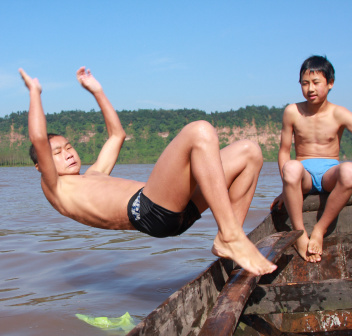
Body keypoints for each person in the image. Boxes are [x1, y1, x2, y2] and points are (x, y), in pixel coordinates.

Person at [19, 66, 277, 276]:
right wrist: (34, 92)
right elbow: (39, 137)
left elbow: (117, 135)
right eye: (56, 154)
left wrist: (97, 92)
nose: (67, 153)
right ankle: (233, 236)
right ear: (41, 166)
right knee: (199, 131)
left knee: (249, 151)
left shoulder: (94, 175)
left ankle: (227, 237)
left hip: (178, 210)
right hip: (147, 211)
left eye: (68, 147)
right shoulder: (55, 187)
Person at [272, 55, 352, 263]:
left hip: (329, 173)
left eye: (316, 83)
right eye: (305, 83)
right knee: (290, 167)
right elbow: (284, 151)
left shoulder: (339, 113)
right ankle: (299, 234)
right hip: (303, 175)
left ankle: (319, 229)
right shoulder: (293, 111)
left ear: (330, 83)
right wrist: (285, 188)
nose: (310, 89)